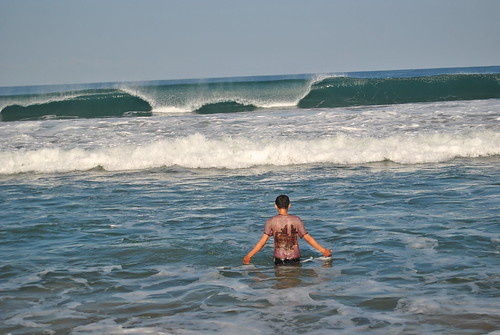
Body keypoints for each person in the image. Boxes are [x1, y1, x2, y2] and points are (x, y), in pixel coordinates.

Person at [243, 195, 331, 265]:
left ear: (275, 206)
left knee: (281, 284)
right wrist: (323, 250)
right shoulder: (296, 220)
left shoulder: (271, 221)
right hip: (294, 258)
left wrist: (249, 255)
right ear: (289, 205)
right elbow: (308, 238)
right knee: (294, 282)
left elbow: (262, 242)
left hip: (279, 259)